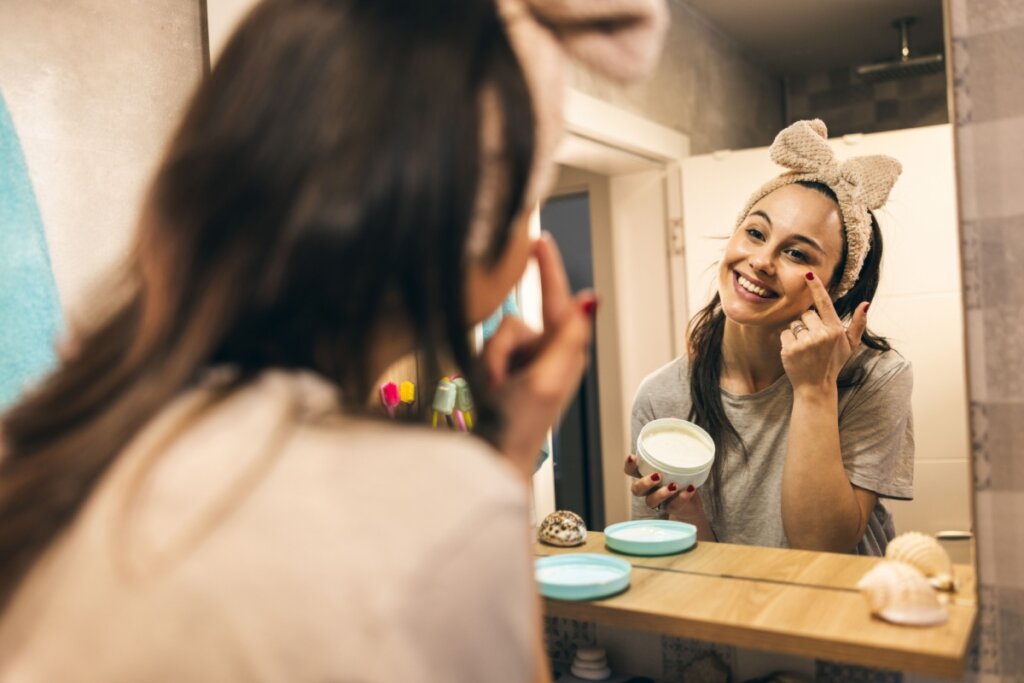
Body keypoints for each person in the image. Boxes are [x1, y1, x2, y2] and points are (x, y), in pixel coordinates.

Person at [0, 0, 667, 680]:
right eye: (526, 196)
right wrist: (504, 469)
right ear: (466, 228)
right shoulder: (446, 512)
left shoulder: (72, 434)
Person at [625, 119, 913, 556]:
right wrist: (685, 510)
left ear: (837, 287)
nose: (761, 261)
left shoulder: (875, 376)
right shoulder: (663, 396)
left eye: (797, 253)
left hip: (839, 599)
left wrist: (815, 389)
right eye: (755, 233)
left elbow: (821, 549)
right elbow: (676, 572)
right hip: (722, 600)